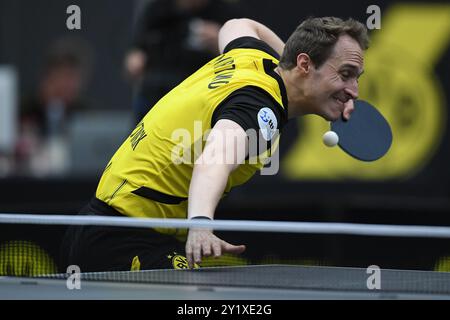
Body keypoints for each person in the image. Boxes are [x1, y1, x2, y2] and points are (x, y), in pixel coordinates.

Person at [61, 17, 368, 272]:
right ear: (304, 64)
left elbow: (239, 24)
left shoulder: (253, 58)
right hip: (118, 241)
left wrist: (320, 82)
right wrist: (201, 226)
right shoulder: (260, 108)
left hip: (113, 226)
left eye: (356, 78)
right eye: (345, 75)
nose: (354, 90)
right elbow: (214, 160)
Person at [125, 0, 240, 124]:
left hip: (201, 91)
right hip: (157, 90)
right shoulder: (157, 9)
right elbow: (136, 52)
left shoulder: (225, 13)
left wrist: (220, 41)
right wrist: (135, 60)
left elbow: (241, 59)